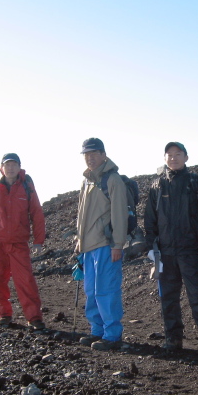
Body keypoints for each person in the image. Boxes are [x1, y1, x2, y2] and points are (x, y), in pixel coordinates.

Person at [144, 142, 198, 357]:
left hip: (191, 251)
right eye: (169, 154)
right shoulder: (157, 186)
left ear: (186, 157)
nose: (173, 158)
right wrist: (152, 247)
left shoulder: (196, 183)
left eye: (178, 154)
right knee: (168, 297)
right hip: (166, 252)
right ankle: (173, 337)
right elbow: (149, 220)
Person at [0, 153, 47, 332]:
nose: (11, 168)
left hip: (18, 243)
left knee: (25, 281)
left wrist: (39, 240)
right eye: (7, 165)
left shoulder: (27, 187)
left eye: (14, 165)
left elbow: (37, 214)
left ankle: (34, 317)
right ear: (2, 168)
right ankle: (3, 315)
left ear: (19, 167)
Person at [75, 138, 128, 351]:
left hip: (106, 245)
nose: (90, 158)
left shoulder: (112, 180)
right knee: (91, 290)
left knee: (106, 290)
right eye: (87, 154)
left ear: (104, 154)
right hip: (88, 246)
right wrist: (79, 241)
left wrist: (118, 244)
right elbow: (81, 215)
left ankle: (112, 334)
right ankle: (97, 330)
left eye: (94, 153)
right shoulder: (86, 181)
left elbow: (119, 214)